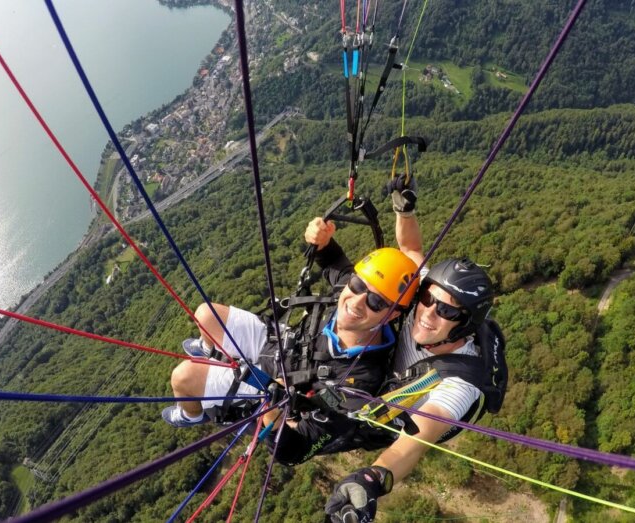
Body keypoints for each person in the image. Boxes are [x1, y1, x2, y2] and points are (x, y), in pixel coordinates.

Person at [319, 177, 508, 523]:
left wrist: (372, 479)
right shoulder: (424, 306)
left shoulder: (459, 383)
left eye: (447, 311)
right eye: (426, 299)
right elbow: (411, 254)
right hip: (387, 372)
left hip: (394, 412)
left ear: (464, 324)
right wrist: (404, 211)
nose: (428, 313)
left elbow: (417, 439)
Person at [162, 237, 420, 466]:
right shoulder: (348, 290)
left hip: (273, 390)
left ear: (392, 315)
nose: (357, 300)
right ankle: (210, 350)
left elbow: (295, 451)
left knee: (184, 377)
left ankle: (191, 414)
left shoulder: (361, 380)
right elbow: (333, 260)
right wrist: (322, 239)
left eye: (376, 302)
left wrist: (273, 415)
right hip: (281, 345)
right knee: (206, 314)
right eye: (358, 285)